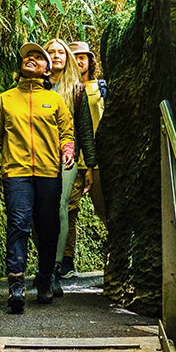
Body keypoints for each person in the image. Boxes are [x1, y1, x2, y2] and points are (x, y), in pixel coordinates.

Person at [0, 42, 75, 313]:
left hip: (48, 172)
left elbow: (67, 131)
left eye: (38, 57)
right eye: (27, 57)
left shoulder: (55, 100)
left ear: (47, 70)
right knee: (18, 225)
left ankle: (44, 278)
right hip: (16, 172)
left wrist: (67, 149)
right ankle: (16, 285)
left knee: (48, 229)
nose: (31, 59)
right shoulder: (5, 99)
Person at [44, 38, 94, 298]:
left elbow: (84, 130)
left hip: (67, 159)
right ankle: (44, 265)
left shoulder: (76, 91)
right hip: (37, 157)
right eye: (51, 51)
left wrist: (90, 166)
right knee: (36, 214)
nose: (56, 55)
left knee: (61, 209)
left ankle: (54, 269)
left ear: (67, 58)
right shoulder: (33, 86)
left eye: (61, 52)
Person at [61, 39, 106, 277]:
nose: (79, 60)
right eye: (74, 56)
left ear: (90, 60)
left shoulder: (101, 88)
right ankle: (66, 261)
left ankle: (115, 258)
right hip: (71, 161)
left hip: (100, 161)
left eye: (83, 57)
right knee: (67, 211)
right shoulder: (65, 90)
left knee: (104, 209)